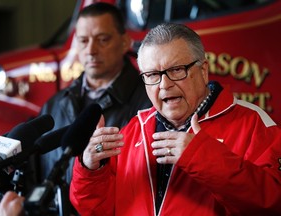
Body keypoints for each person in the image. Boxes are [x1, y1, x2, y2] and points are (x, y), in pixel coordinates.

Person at [69, 23, 281, 215]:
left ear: (203, 71)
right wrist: (90, 169)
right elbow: (96, 210)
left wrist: (202, 156)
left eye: (177, 70)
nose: (164, 85)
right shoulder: (134, 130)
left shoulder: (253, 123)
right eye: (152, 75)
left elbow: (273, 201)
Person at [35, 2, 151, 184]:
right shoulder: (54, 105)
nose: (91, 50)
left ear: (125, 42)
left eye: (102, 39)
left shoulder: (148, 103)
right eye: (83, 41)